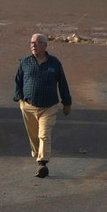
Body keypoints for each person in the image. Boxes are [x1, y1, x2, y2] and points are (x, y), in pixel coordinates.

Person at [13, 33, 72, 178]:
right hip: (28, 107)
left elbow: (62, 83)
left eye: (37, 43)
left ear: (45, 46)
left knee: (44, 135)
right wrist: (20, 100)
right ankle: (37, 155)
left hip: (49, 107)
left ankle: (42, 163)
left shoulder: (54, 63)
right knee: (34, 136)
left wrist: (67, 102)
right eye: (32, 42)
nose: (34, 45)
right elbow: (18, 81)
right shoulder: (25, 63)